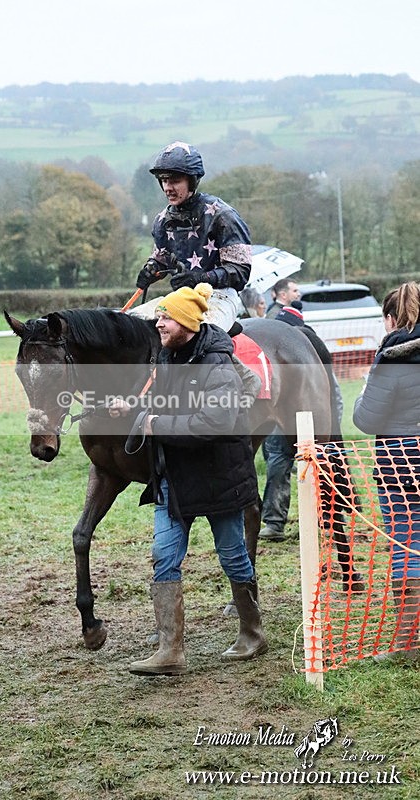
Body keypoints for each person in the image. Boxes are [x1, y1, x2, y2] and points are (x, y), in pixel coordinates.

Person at [109, 282, 267, 675]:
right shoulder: (168, 356)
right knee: (164, 556)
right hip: (174, 478)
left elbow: (215, 420)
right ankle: (170, 650)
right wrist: (135, 405)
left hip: (219, 478)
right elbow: (167, 400)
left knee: (232, 556)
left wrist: (156, 423)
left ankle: (252, 632)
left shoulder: (217, 364)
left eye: (166, 316)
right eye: (159, 315)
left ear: (187, 323)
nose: (158, 322)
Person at [353, 282, 420, 661]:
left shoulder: (391, 357)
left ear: (392, 319)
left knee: (407, 544)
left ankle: (409, 644)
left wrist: (365, 390)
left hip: (401, 462)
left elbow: (366, 418)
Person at [133, 141, 251, 332]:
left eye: (175, 181)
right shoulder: (162, 220)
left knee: (197, 333)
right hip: (182, 298)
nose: (168, 188)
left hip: (220, 297)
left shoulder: (223, 216)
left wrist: (200, 277)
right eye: (164, 180)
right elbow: (162, 259)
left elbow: (240, 272)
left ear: (192, 180)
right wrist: (151, 270)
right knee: (132, 324)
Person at [260, 304, 344, 542]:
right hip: (283, 422)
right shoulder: (288, 353)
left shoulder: (309, 352)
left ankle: (324, 518)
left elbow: (333, 395)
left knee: (302, 465)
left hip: (305, 423)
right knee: (278, 466)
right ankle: (277, 521)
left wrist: (330, 422)